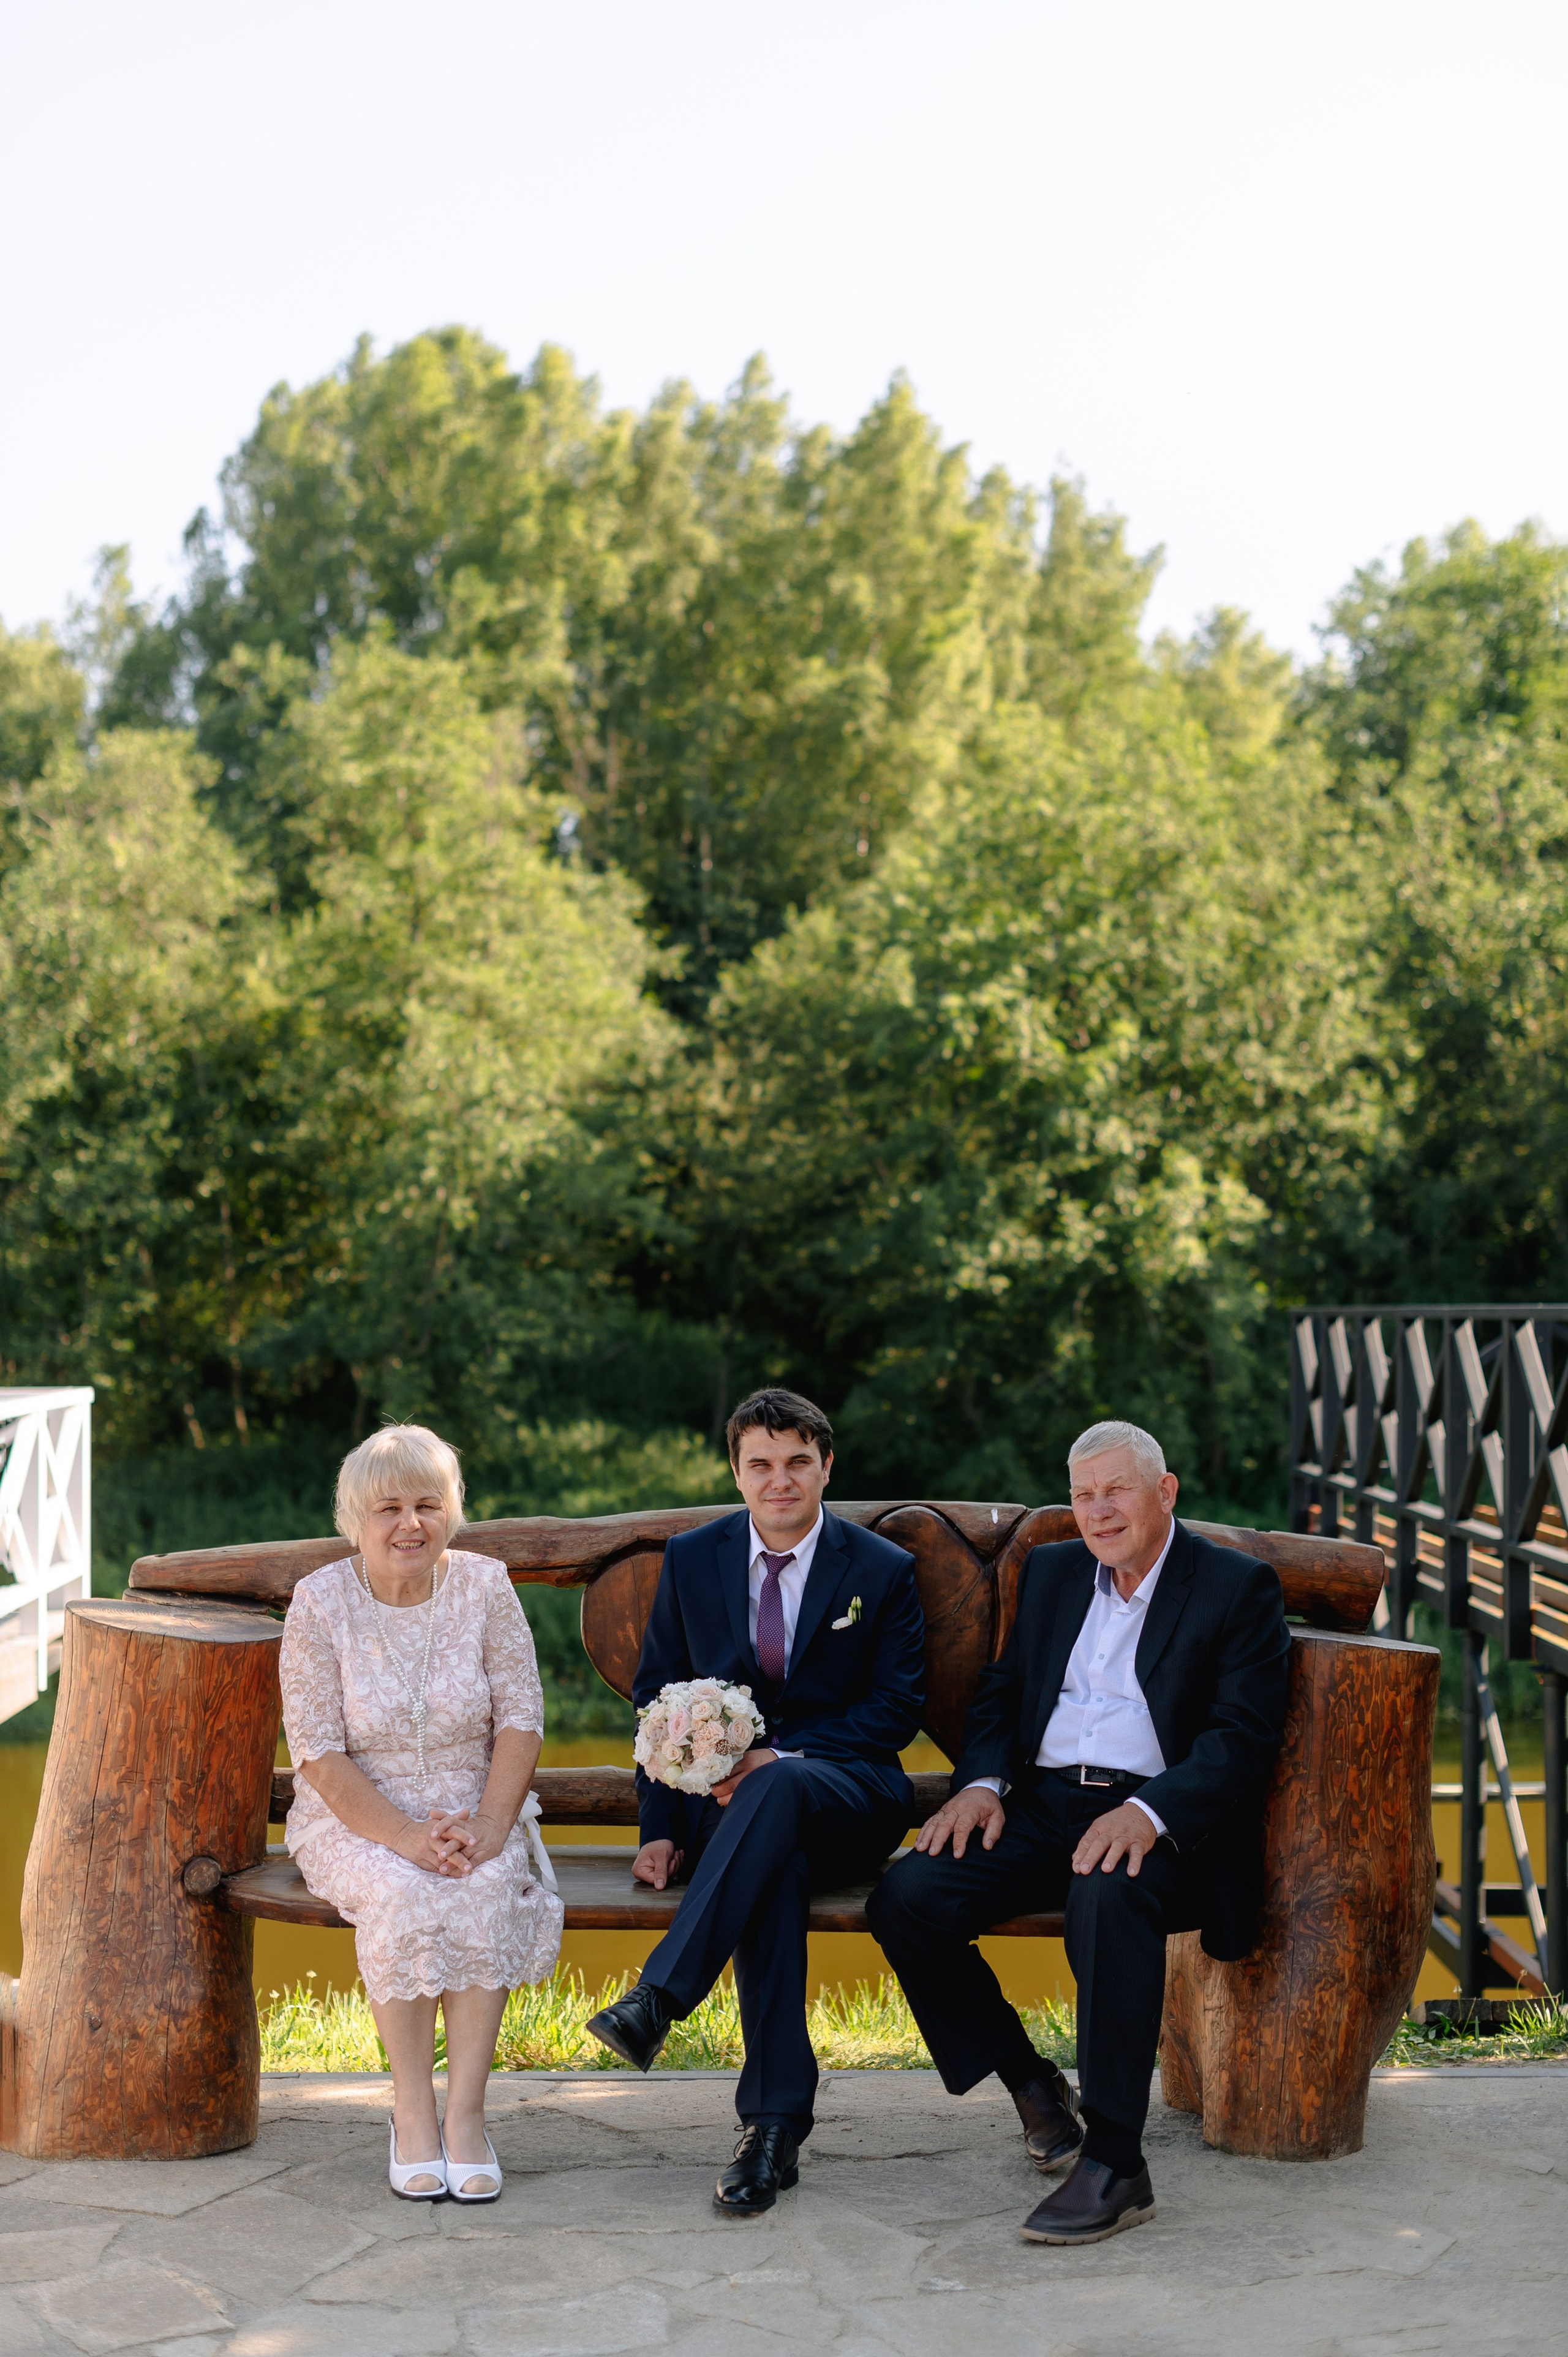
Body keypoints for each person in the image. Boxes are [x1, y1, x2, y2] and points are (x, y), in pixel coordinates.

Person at [867, 1419, 1291, 2247]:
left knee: (1107, 1892)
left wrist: (1149, 1811)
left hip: (1166, 1818)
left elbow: (1243, 1737)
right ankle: (1029, 2082)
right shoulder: (1056, 1570)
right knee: (909, 1897)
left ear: (1164, 1493)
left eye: (1116, 1491)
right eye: (1083, 1495)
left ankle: (1117, 2161)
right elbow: (1001, 1692)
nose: (1098, 1512)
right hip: (1042, 1804)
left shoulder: (1235, 1587)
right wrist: (983, 1784)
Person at [586, 1388, 925, 2215]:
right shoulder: (695, 1560)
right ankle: (771, 2130)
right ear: (737, 1472)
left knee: (773, 1793)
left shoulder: (880, 1571)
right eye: (762, 1465)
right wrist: (660, 1827)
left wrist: (783, 1754)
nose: (781, 1481)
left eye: (798, 1463)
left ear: (826, 1468)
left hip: (851, 1794)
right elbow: (660, 1700)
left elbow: (897, 1709)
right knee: (770, 1859)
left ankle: (658, 2000)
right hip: (732, 1819)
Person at [280, 1424, 564, 2204]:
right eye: (389, 1507)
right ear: (355, 1520)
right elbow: (317, 1750)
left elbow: (521, 1717)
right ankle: (412, 2113)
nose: (410, 1523)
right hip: (354, 1816)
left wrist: (491, 1825)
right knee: (404, 1894)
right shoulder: (320, 1601)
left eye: (428, 1504)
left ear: (453, 1511)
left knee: (480, 1888)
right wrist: (404, 1837)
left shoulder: (484, 1585)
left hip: (478, 1807)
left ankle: (466, 2118)